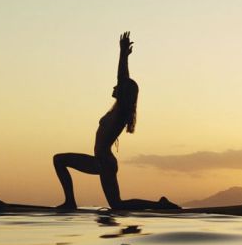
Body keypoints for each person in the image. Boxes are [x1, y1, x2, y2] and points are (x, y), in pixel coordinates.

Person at [53, 32, 180, 211]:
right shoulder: (118, 110)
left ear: (123, 93)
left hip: (102, 161)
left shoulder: (121, 111)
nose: (114, 87)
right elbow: (123, 80)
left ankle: (70, 202)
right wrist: (124, 56)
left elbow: (122, 78)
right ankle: (160, 205)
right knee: (117, 205)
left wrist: (122, 54)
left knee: (59, 160)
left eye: (118, 87)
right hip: (105, 161)